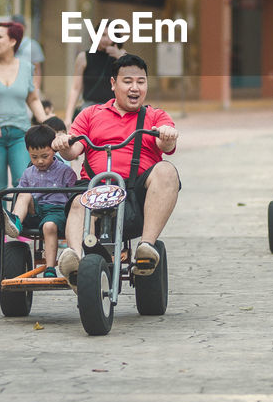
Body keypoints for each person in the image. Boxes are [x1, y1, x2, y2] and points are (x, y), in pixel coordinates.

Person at [51, 53, 179, 288]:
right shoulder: (90, 114)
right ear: (113, 84)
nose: (135, 88)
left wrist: (167, 136)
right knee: (80, 201)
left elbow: (166, 145)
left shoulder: (155, 116)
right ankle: (75, 260)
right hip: (94, 189)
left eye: (141, 82)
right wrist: (63, 143)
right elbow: (74, 149)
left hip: (134, 197)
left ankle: (146, 248)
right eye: (127, 81)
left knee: (167, 170)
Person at [0, 21, 48, 237]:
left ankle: (17, 225)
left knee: (20, 181)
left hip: (20, 134)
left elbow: (32, 98)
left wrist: (46, 123)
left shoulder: (26, 68)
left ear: (13, 41)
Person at [6, 124, 79, 276]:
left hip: (56, 212)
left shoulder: (65, 172)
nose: (39, 161)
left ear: (54, 150)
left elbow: (72, 198)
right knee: (24, 193)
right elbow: (20, 196)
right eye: (34, 157)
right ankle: (15, 220)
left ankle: (50, 267)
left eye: (44, 156)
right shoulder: (28, 173)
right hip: (35, 211)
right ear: (28, 152)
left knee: (49, 226)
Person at [63, 25, 123, 123]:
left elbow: (131, 79)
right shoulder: (83, 57)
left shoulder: (120, 56)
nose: (106, 39)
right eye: (102, 35)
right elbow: (75, 88)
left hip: (114, 110)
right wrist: (68, 118)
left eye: (110, 35)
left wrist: (119, 57)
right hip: (89, 109)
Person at [10, 13, 45, 91]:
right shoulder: (6, 44)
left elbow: (37, 69)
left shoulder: (33, 45)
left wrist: (37, 89)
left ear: (24, 27)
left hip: (27, 87)